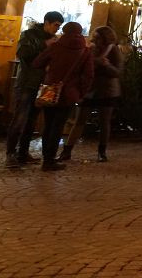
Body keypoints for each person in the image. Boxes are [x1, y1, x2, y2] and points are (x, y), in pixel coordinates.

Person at [31, 22, 93, 172]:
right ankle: (50, 160)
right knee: (58, 126)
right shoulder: (85, 51)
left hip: (50, 91)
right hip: (69, 94)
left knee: (48, 125)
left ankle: (47, 158)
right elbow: (88, 76)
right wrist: (81, 93)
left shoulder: (55, 47)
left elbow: (36, 63)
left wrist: (50, 71)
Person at [5, 10, 63, 169]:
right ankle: (10, 154)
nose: (57, 29)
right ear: (47, 22)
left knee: (31, 121)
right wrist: (45, 45)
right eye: (56, 25)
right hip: (26, 83)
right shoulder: (29, 35)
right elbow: (22, 53)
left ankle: (23, 153)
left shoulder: (53, 39)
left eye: (59, 26)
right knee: (19, 119)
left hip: (41, 86)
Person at [59, 26, 123, 163]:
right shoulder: (90, 49)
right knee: (79, 120)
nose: (95, 40)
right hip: (89, 90)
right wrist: (97, 62)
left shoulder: (113, 50)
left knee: (104, 122)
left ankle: (102, 152)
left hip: (107, 91)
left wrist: (106, 66)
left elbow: (118, 72)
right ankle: (67, 150)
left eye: (98, 38)